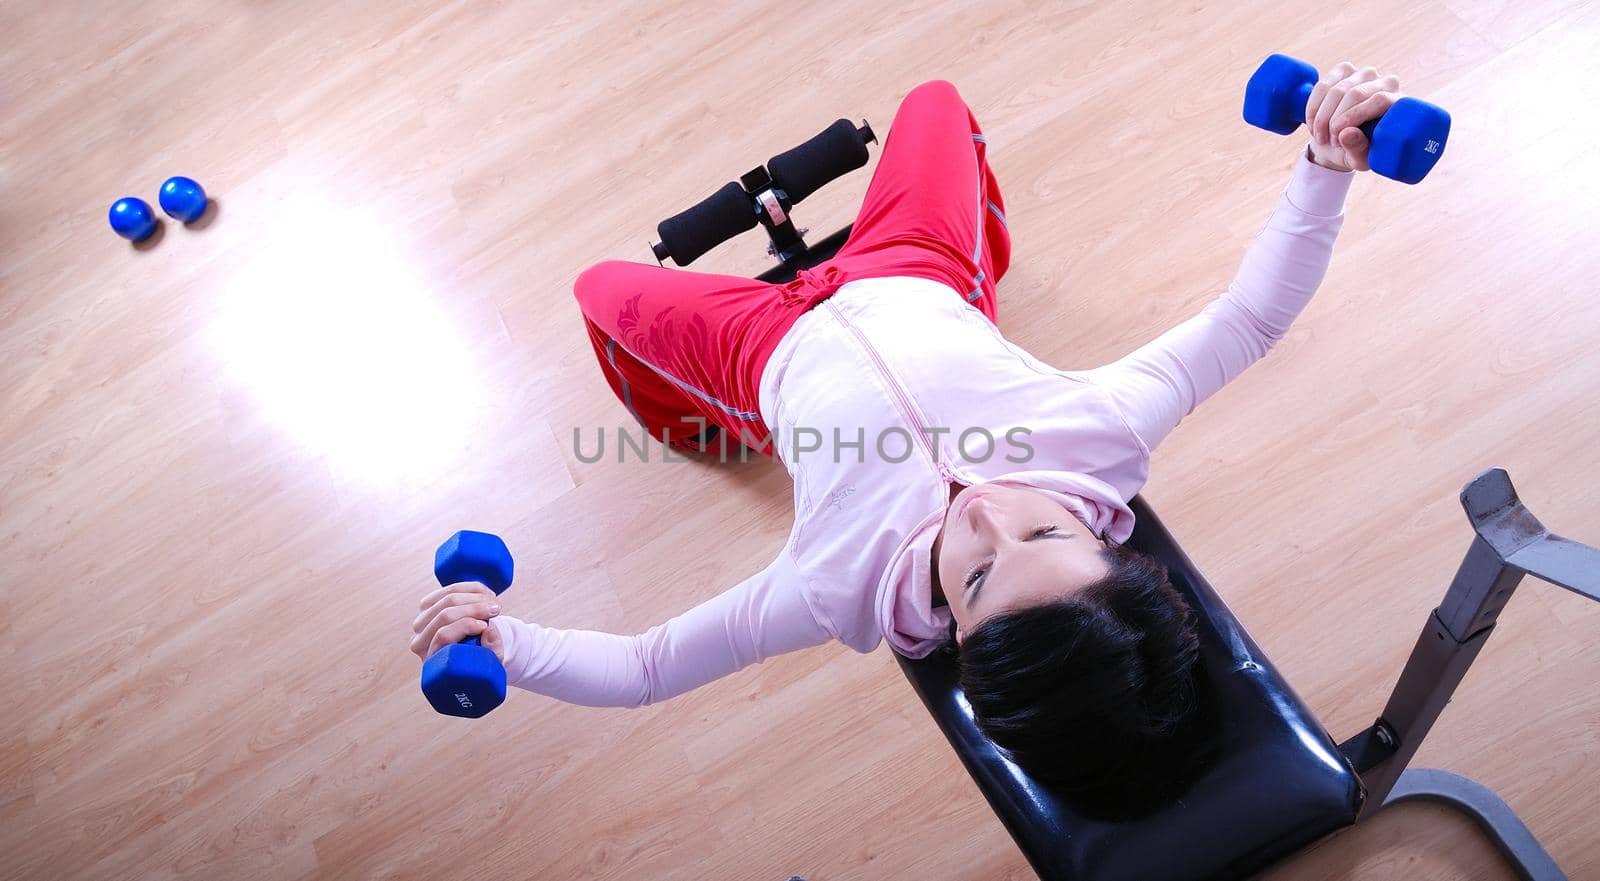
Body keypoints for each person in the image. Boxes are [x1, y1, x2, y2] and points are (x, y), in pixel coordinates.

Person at [412, 64, 1398, 817]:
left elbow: (643, 667)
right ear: (1107, 540)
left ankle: (696, 425)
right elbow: (1253, 321)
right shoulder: (1101, 435)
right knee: (934, 100)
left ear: (957, 636)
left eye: (975, 578)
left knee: (597, 287)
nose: (985, 521)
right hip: (912, 268)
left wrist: (509, 640)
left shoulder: (835, 584)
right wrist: (1322, 165)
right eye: (1046, 538)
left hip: (758, 352)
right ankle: (984, 263)